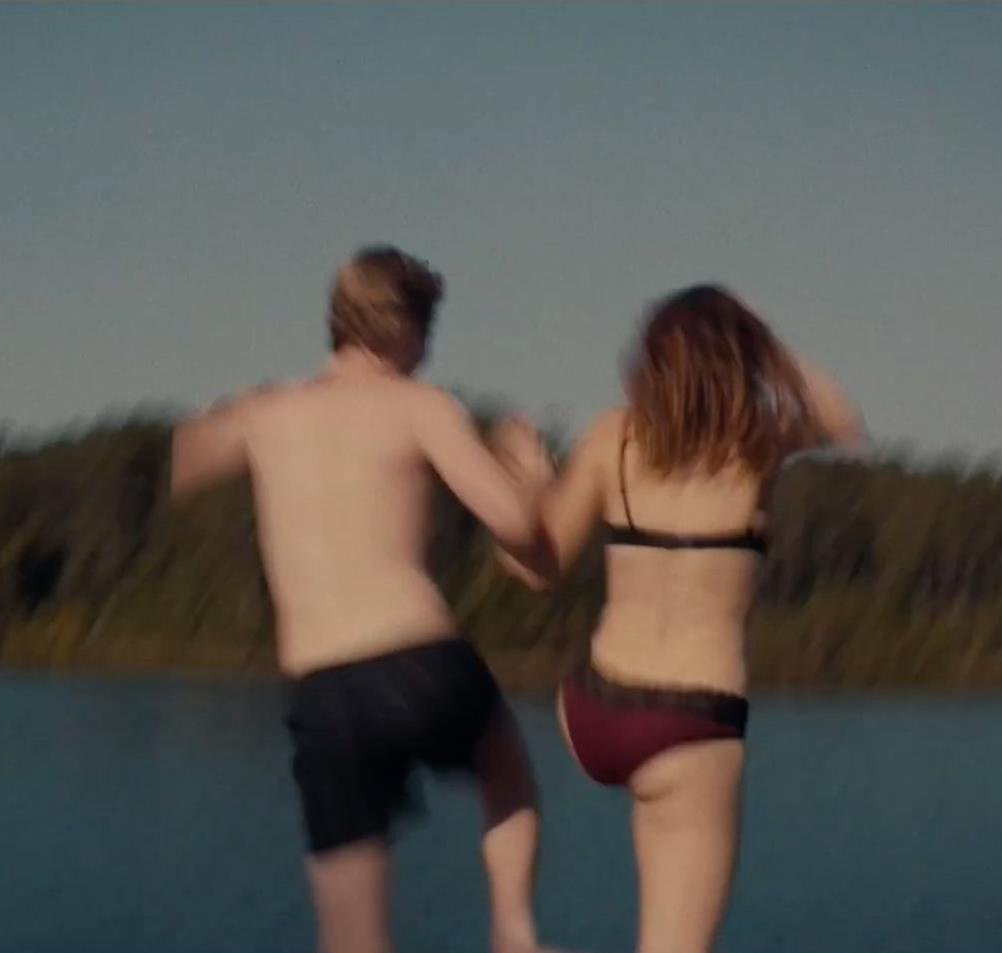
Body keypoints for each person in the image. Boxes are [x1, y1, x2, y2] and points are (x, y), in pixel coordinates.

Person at [169, 245, 561, 953]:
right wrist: (530, 471)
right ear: (405, 329)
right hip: (419, 661)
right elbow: (516, 523)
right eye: (427, 332)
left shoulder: (269, 412)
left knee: (351, 939)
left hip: (324, 689)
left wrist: (220, 414)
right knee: (506, 768)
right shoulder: (419, 405)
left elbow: (185, 456)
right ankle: (514, 930)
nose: (428, 351)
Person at [492, 284, 865, 953]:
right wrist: (762, 333)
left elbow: (539, 567)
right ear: (738, 359)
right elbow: (844, 424)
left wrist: (528, 486)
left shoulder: (614, 437)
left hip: (593, 708)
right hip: (690, 726)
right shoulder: (756, 445)